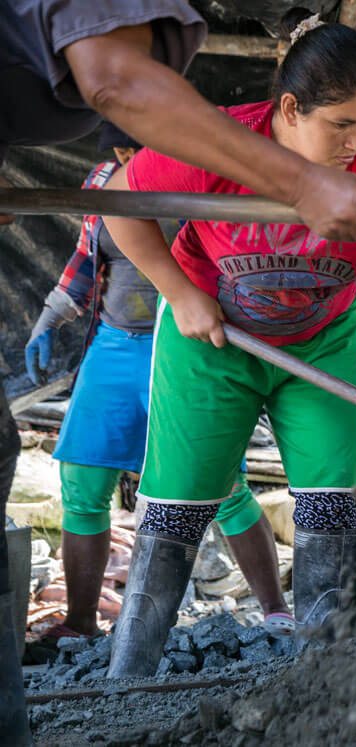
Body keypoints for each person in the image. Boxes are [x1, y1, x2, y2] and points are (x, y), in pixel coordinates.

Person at [0, 0, 356, 738]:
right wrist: (66, 310)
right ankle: (101, 645)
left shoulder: (330, 160)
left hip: (251, 338)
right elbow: (115, 95)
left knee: (262, 494)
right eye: (342, 125)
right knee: (110, 480)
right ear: (289, 107)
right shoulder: (160, 156)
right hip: (144, 337)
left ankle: (298, 632)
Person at [99, 14, 356, 677]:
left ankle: (323, 677)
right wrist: (178, 293)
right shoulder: (220, 141)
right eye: (341, 125)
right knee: (177, 509)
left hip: (321, 340)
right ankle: (129, 678)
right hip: (212, 337)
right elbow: (119, 203)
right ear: (289, 109)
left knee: (329, 500)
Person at [21, 125, 293, 665]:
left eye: (137, 146)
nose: (127, 157)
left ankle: (275, 609)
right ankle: (80, 622)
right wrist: (49, 318)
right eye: (120, 150)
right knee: (82, 479)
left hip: (190, 342)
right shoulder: (103, 180)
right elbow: (84, 265)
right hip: (115, 344)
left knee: (221, 483)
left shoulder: (210, 178)